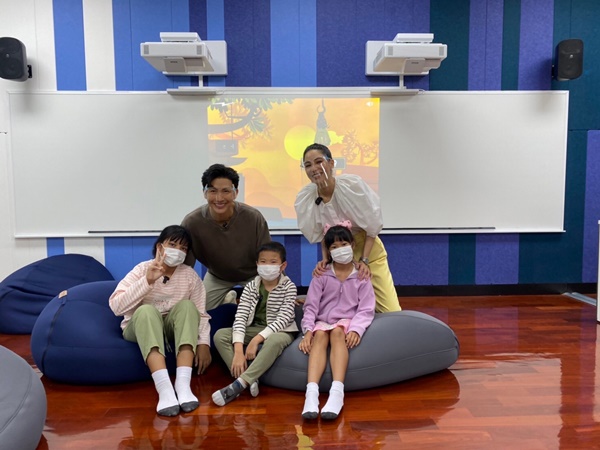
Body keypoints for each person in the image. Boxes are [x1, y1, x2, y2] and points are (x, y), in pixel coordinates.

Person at [109, 225, 211, 417]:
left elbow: (201, 314)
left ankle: (183, 386)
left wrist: (204, 343)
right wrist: (147, 281)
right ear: (159, 247)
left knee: (187, 307)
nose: (178, 251)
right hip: (139, 326)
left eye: (183, 248)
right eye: (172, 245)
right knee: (147, 310)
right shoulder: (142, 269)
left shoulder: (190, 276)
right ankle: (164, 389)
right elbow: (116, 306)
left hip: (171, 328)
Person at [294, 143, 400, 313]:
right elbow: (323, 236)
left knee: (390, 310)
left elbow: (372, 227)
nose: (313, 168)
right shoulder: (306, 198)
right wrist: (325, 261)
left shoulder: (352, 186)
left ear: (331, 163)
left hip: (367, 250)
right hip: (337, 257)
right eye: (308, 165)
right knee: (342, 309)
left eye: (318, 161)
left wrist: (364, 261)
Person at [299, 223, 375, 420]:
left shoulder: (362, 276)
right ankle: (311, 394)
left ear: (352, 245)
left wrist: (356, 329)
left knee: (337, 332)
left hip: (346, 321)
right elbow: (311, 306)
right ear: (328, 251)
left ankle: (337, 392)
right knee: (320, 335)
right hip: (322, 321)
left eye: (344, 244)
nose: (340, 249)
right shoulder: (321, 275)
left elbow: (366, 309)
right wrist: (308, 331)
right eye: (334, 246)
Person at [212, 241, 298, 405]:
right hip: (254, 328)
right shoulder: (251, 286)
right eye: (263, 262)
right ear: (257, 264)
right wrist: (238, 351)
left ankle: (240, 383)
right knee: (220, 335)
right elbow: (241, 316)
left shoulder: (289, 287)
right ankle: (249, 379)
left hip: (282, 331)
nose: (267, 266)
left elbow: (284, 319)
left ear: (282, 265)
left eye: (273, 262)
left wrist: (256, 340)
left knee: (274, 340)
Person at [182, 164, 272, 311]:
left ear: (235, 193)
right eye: (213, 191)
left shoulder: (253, 217)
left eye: (226, 191)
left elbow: (270, 255)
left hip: (254, 275)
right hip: (217, 276)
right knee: (198, 312)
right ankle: (227, 299)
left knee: (268, 309)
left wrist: (282, 289)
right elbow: (185, 266)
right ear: (204, 193)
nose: (219, 198)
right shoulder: (192, 222)